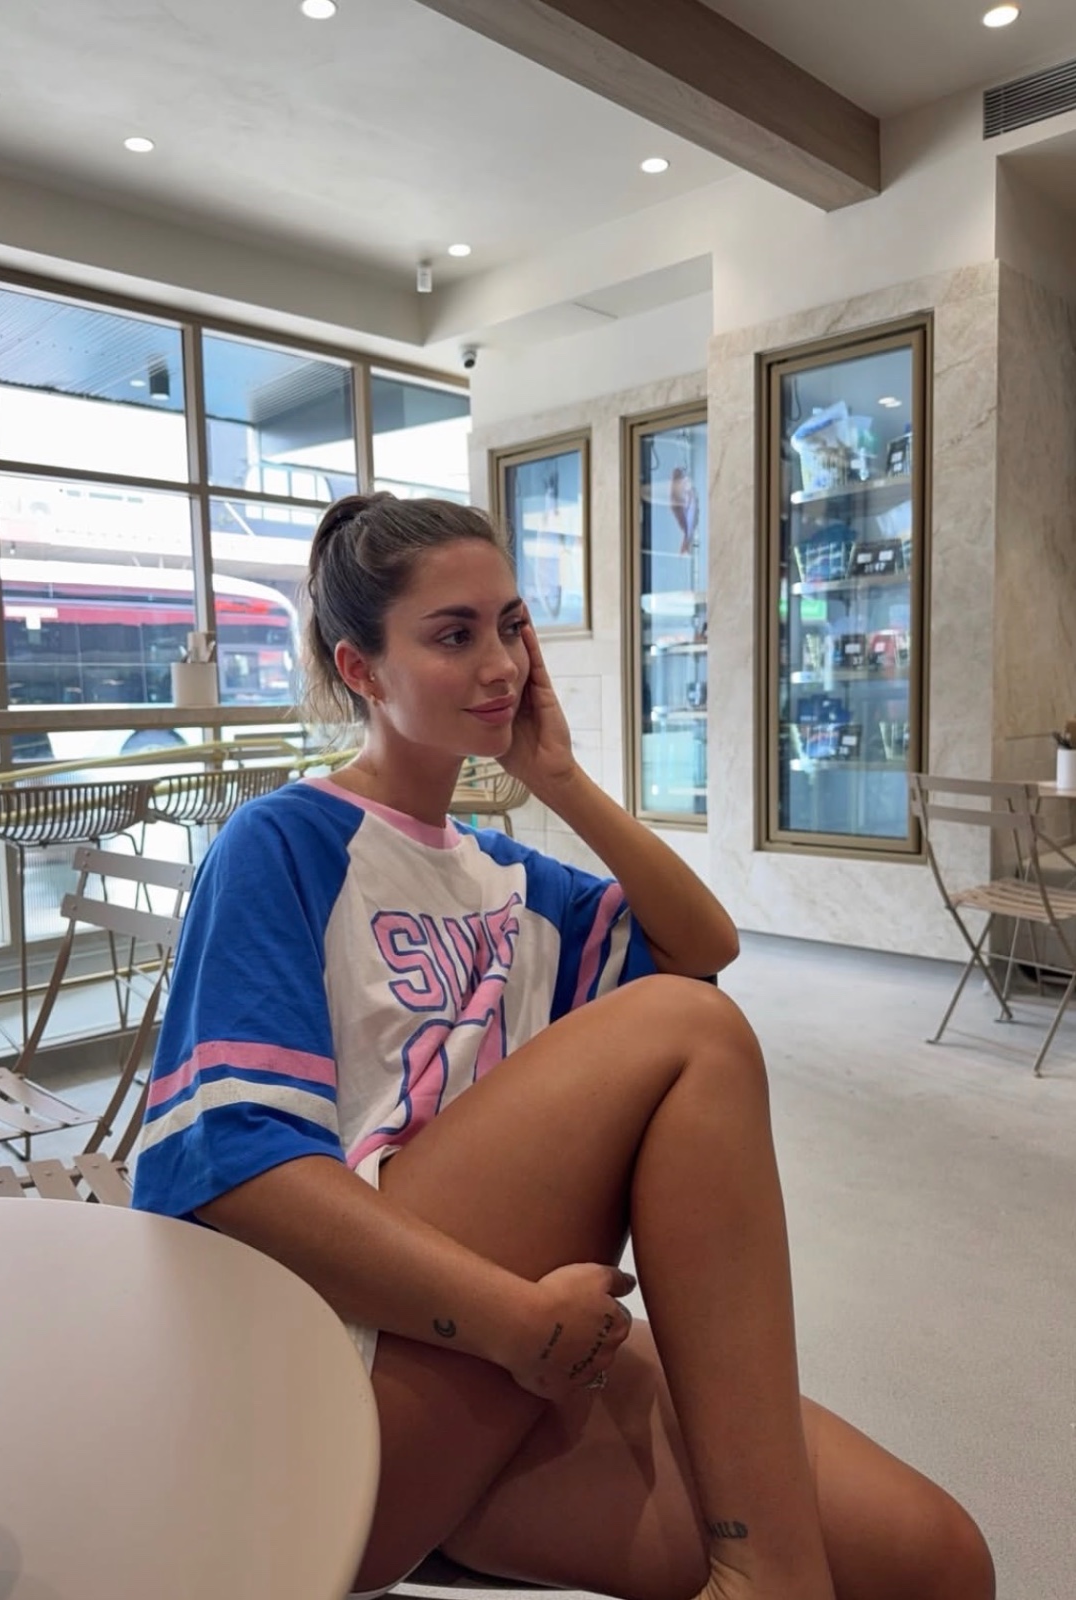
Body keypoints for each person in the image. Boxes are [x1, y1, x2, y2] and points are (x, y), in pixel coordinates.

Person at [132, 493, 994, 1600]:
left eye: (510, 625)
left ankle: (762, 1565)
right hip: (354, 1364)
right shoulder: (282, 840)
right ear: (360, 668)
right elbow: (234, 1166)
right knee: (687, 1031)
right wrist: (515, 1322)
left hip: (507, 1361)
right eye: (453, 635)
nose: (501, 664)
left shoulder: (508, 874)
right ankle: (764, 1575)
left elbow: (703, 944)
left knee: (939, 1561)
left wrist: (561, 781)